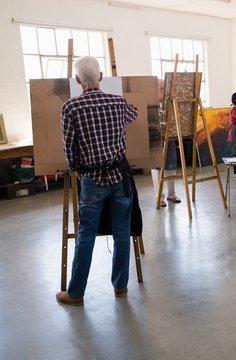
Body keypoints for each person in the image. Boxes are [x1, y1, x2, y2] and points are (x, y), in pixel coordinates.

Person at [56, 56, 138, 306]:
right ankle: (121, 286)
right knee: (122, 233)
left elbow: (69, 149)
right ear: (101, 76)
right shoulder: (118, 102)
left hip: (91, 179)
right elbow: (133, 115)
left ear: (78, 80)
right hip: (119, 177)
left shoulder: (70, 107)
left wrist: (78, 171)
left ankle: (76, 293)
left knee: (86, 235)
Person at [151, 78, 181, 207]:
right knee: (157, 167)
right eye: (161, 88)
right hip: (155, 139)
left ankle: (171, 194)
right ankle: (159, 197)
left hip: (169, 137)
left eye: (165, 88)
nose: (164, 91)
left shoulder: (169, 103)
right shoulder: (150, 103)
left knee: (171, 165)